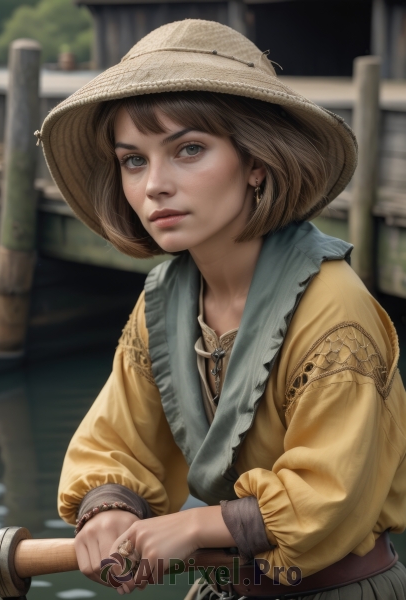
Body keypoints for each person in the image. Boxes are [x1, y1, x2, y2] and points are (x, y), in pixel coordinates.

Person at [38, 18, 406, 600]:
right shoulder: (164, 301)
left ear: (256, 161)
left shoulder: (335, 310)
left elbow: (329, 497)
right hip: (226, 587)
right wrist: (108, 510)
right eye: (134, 160)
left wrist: (191, 524)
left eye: (188, 150)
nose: (155, 185)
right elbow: (120, 439)